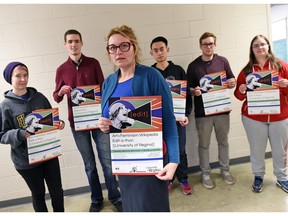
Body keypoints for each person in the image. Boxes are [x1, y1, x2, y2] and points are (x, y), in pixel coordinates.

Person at [98, 25, 179, 212]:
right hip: (125, 160)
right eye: (113, 47)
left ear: (134, 47)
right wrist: (104, 124)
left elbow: (168, 120)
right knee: (132, 207)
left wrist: (173, 160)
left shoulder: (151, 76)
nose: (118, 51)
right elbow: (109, 120)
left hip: (151, 159)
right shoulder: (108, 82)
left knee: (152, 207)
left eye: (124, 45)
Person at [53, 29, 122, 212]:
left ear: (82, 43)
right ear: (65, 44)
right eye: (70, 41)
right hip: (77, 124)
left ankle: (115, 196)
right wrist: (60, 92)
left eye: (76, 41)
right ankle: (96, 199)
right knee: (89, 165)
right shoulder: (61, 69)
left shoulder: (93, 63)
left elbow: (104, 88)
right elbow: (56, 96)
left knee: (107, 162)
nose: (73, 44)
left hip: (98, 121)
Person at [0, 62, 65, 212]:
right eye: (18, 76)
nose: (23, 79)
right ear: (10, 78)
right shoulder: (5, 106)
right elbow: (2, 135)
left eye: (25, 75)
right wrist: (19, 133)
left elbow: (50, 119)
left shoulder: (40, 97)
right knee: (38, 195)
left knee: (57, 192)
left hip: (48, 155)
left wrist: (58, 123)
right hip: (26, 161)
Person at [234, 34, 288, 193]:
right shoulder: (247, 70)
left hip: (280, 116)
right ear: (252, 50)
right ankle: (258, 176)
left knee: (280, 150)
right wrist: (242, 90)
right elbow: (238, 95)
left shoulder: (281, 66)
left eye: (262, 44)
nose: (259, 47)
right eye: (256, 45)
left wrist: (286, 85)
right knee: (257, 149)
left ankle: (282, 177)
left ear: (268, 46)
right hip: (254, 118)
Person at [186, 32, 236, 189]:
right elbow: (188, 89)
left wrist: (232, 83)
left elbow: (231, 81)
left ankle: (225, 170)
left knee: (223, 142)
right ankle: (205, 173)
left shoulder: (223, 61)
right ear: (200, 46)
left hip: (222, 111)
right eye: (205, 44)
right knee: (204, 145)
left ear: (215, 45)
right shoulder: (193, 66)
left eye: (211, 44)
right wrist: (194, 91)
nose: (208, 46)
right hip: (203, 113)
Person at [150, 36, 192, 195]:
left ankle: (183, 179)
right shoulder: (150, 73)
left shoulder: (179, 70)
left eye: (162, 49)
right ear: (151, 53)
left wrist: (186, 114)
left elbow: (187, 95)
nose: (159, 53)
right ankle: (168, 179)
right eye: (156, 50)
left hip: (178, 120)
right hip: (159, 122)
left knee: (180, 150)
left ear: (167, 49)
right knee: (164, 151)